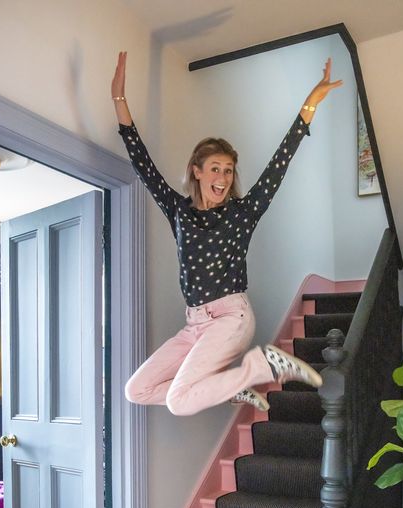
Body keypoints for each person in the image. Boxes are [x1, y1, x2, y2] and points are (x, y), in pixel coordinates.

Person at [112, 52, 342, 416]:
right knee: (136, 390)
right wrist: (118, 100)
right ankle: (229, 389)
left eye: (229, 171)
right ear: (197, 172)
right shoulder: (179, 212)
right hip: (194, 325)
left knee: (179, 401)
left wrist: (308, 106)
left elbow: (277, 166)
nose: (223, 178)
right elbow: (143, 163)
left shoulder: (242, 213)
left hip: (231, 318)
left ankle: (262, 366)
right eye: (215, 169)